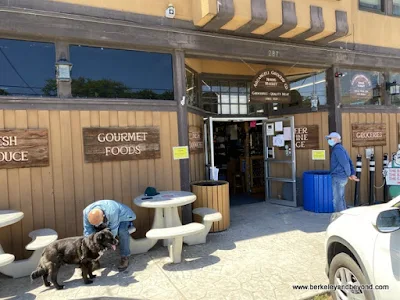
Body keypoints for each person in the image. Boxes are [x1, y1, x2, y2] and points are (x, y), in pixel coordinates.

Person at [83, 200, 136, 271]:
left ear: (103, 216)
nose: (97, 226)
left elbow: (113, 232)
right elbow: (88, 233)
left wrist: (107, 244)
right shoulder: (86, 212)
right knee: (93, 237)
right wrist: (91, 247)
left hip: (123, 217)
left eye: (98, 224)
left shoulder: (112, 211)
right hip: (107, 220)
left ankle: (125, 257)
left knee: (122, 231)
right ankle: (94, 260)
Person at [326, 132, 359, 212]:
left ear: (336, 139)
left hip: (338, 177)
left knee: (337, 200)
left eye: (330, 138)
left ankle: (339, 218)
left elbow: (345, 163)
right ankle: (344, 216)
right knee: (340, 198)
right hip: (341, 177)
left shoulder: (337, 150)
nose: (329, 140)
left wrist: (350, 175)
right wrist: (351, 173)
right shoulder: (341, 148)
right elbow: (349, 161)